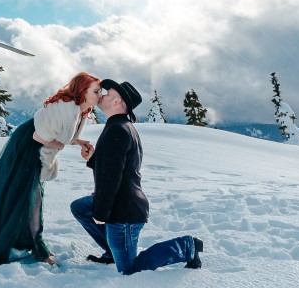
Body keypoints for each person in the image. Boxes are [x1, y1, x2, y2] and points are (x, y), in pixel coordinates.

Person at [0, 72, 101, 272]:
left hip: (33, 147)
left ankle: (24, 240)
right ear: (82, 92)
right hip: (28, 148)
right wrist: (60, 145)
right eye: (96, 90)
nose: (100, 94)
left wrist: (77, 141)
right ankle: (36, 247)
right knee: (28, 197)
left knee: (26, 196)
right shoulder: (68, 109)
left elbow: (59, 133)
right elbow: (39, 136)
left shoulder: (78, 110)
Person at [70, 79, 204, 274]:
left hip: (124, 213)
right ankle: (112, 250)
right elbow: (117, 168)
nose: (102, 95)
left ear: (117, 101)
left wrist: (100, 213)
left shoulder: (117, 129)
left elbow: (111, 178)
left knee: (129, 269)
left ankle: (187, 246)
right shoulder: (120, 126)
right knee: (80, 208)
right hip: (120, 202)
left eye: (108, 93)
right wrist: (93, 159)